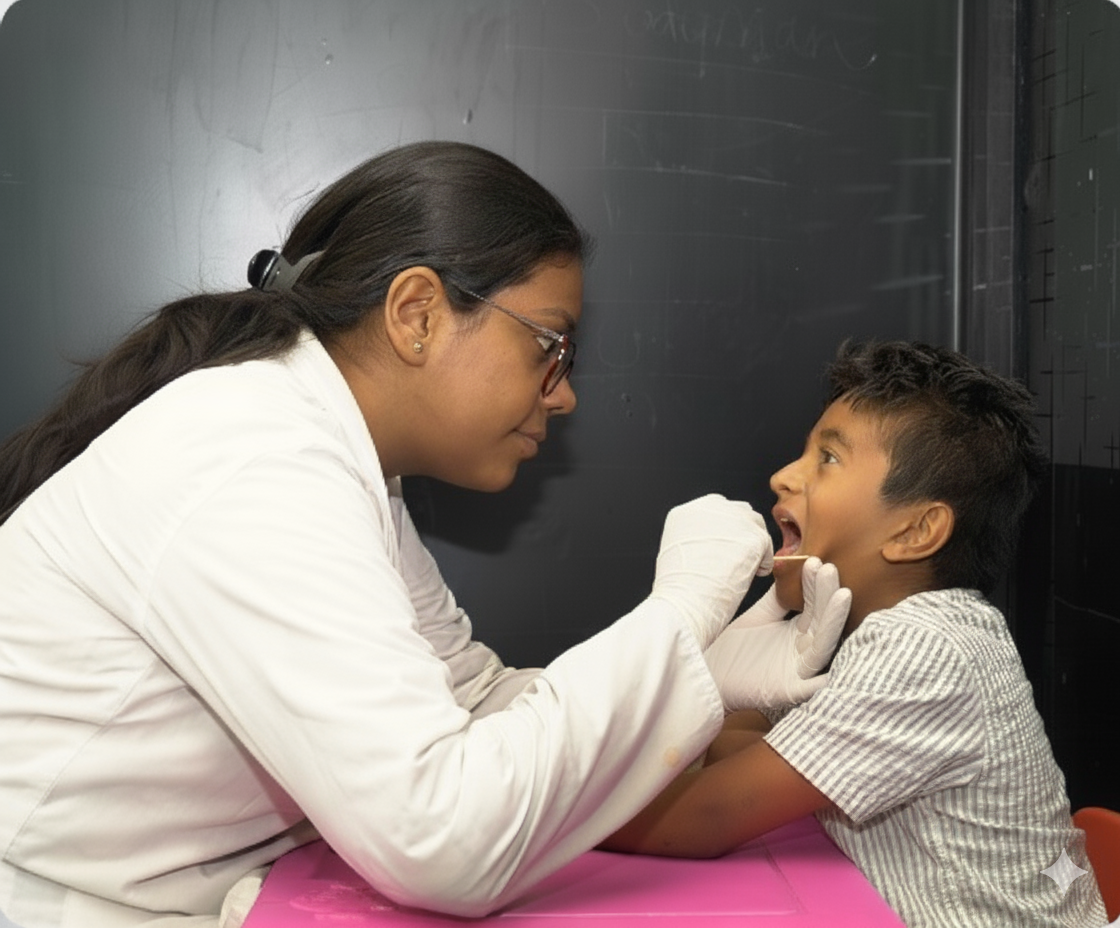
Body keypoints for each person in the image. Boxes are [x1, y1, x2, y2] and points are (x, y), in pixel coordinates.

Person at [0, 141, 848, 928]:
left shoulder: (334, 452)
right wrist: (679, 616)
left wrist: (704, 668)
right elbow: (441, 840)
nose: (563, 395)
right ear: (417, 315)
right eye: (552, 346)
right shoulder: (255, 460)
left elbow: (467, 698)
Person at [603, 340, 1108, 928]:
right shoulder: (872, 629)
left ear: (916, 531)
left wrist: (524, 816)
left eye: (829, 459)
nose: (783, 476)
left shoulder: (925, 647)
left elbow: (703, 819)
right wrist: (727, 689)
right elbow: (740, 761)